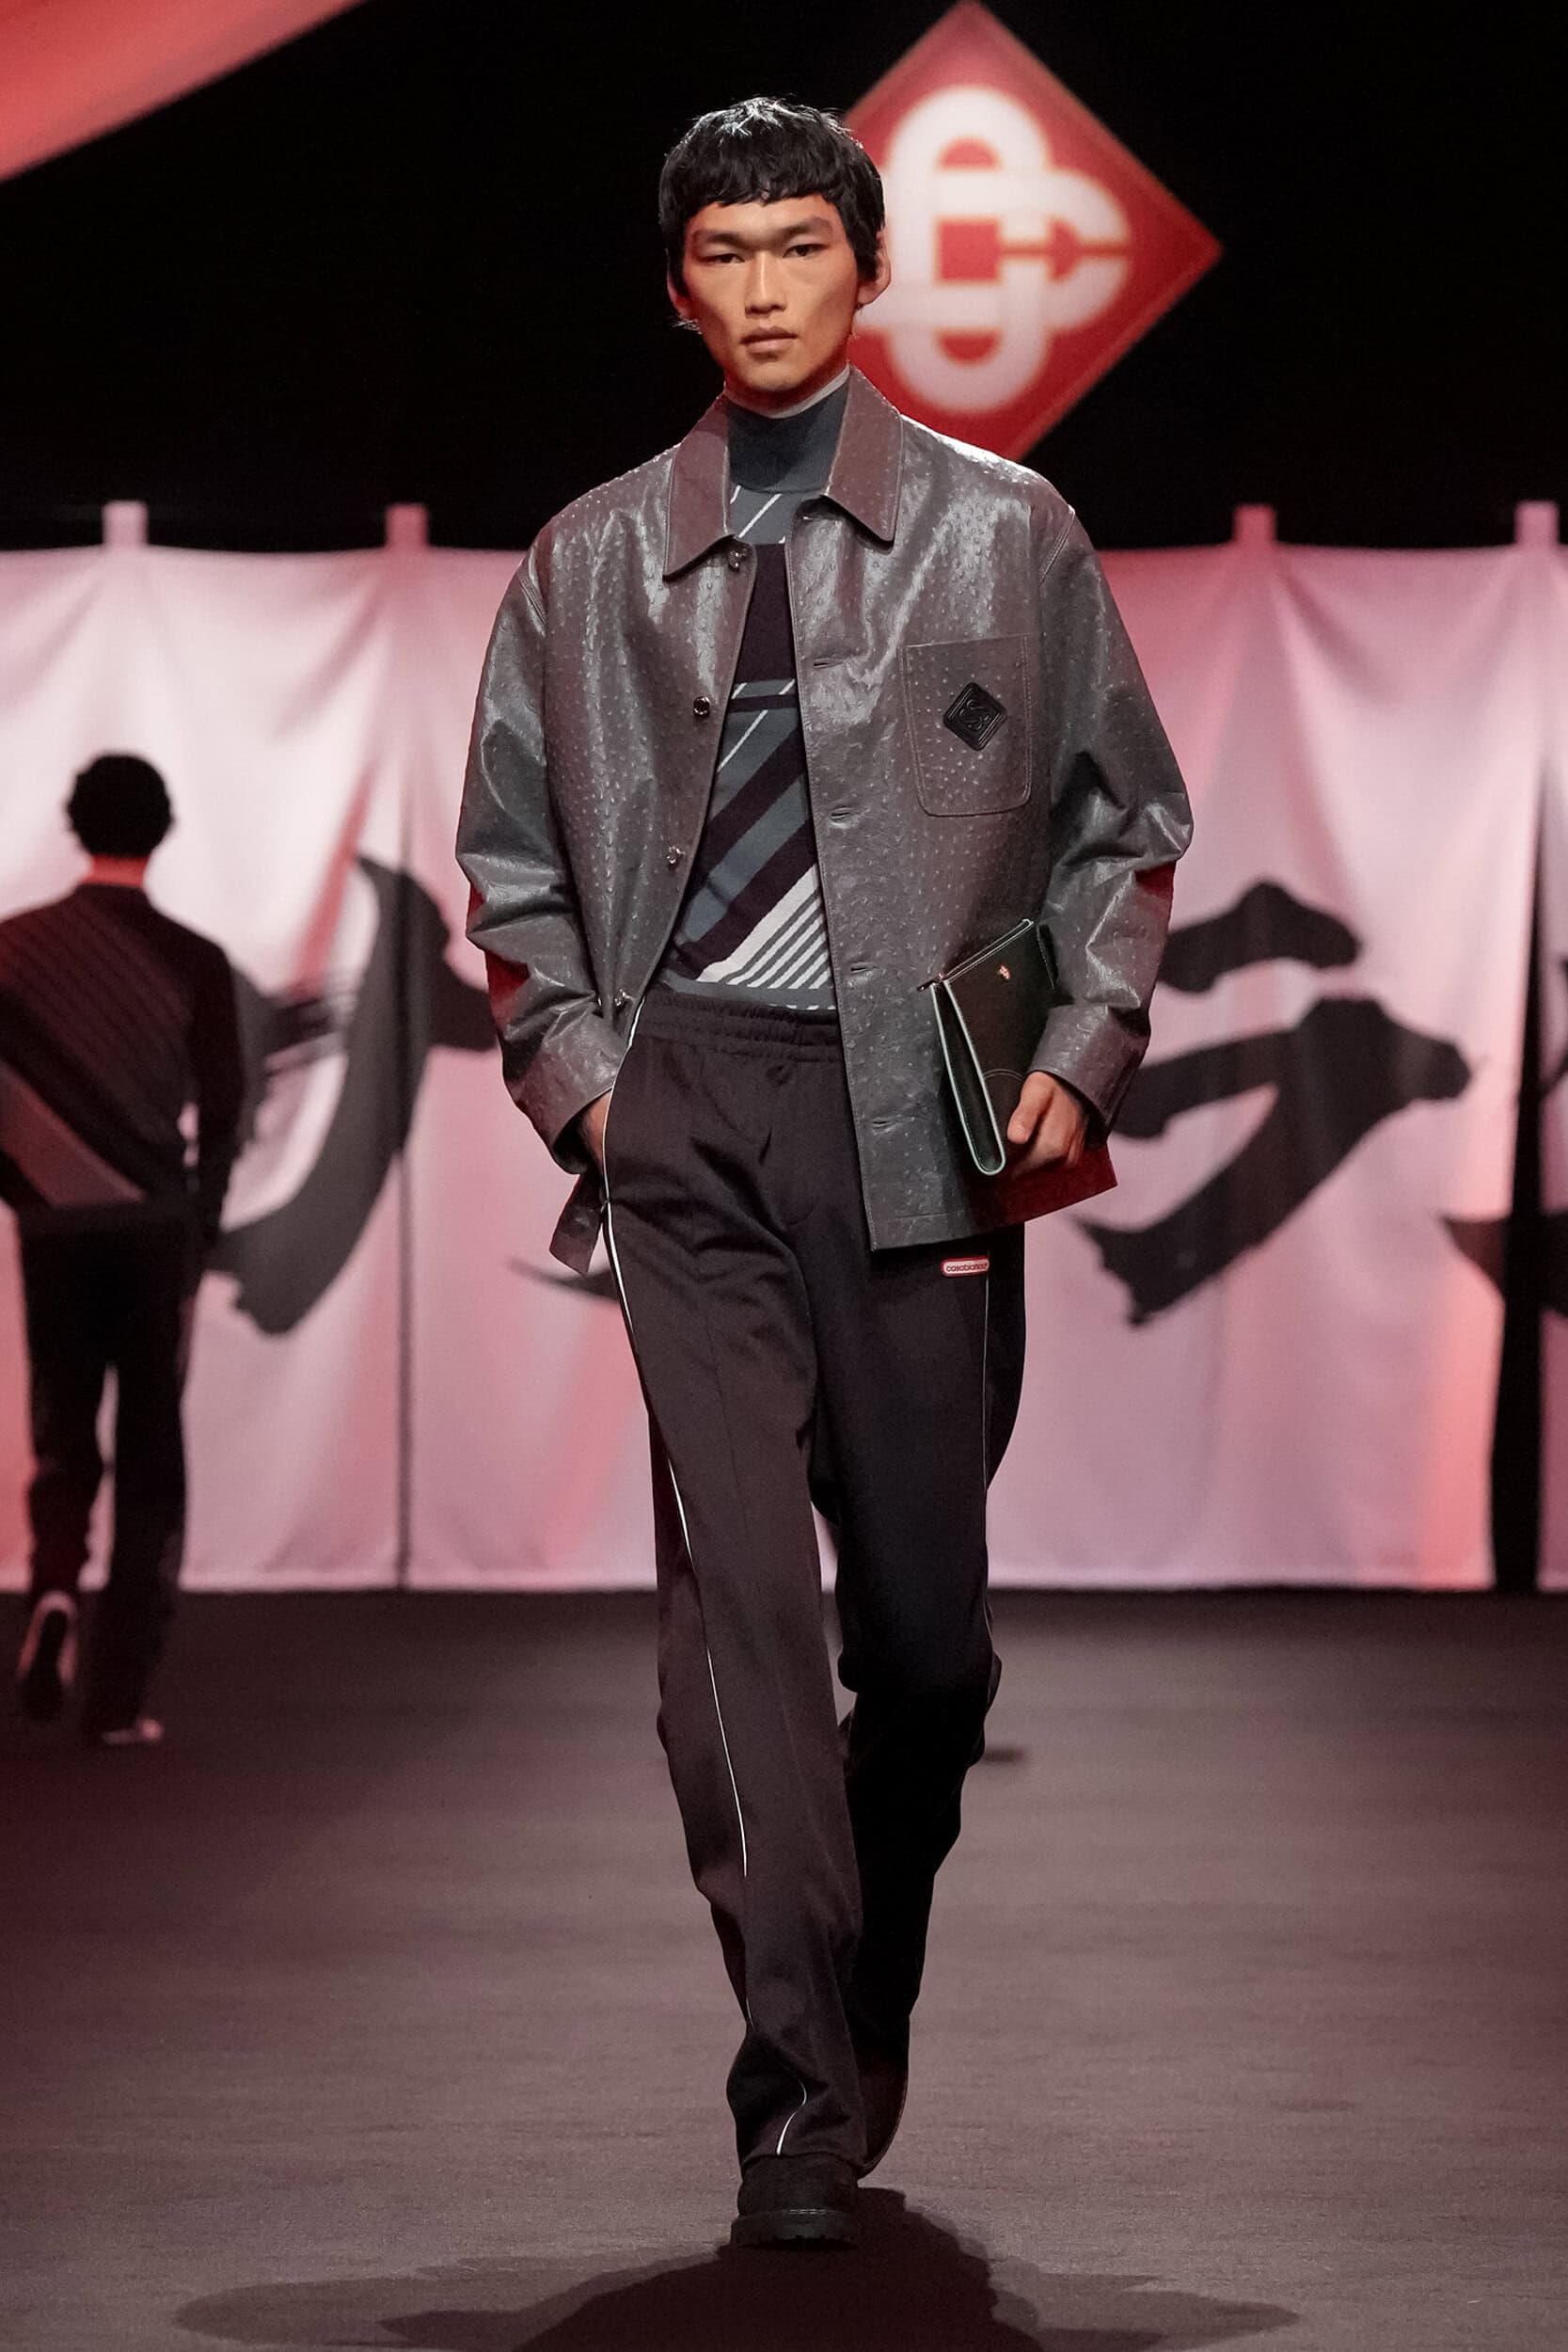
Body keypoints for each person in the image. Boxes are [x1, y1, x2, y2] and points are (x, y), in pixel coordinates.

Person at [457, 98, 1192, 2249]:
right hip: (685, 1104)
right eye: (726, 254)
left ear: (868, 272)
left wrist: (1077, 1047)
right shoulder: (587, 560)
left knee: (927, 1656)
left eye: (800, 247)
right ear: (676, 288)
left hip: (920, 1116)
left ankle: (859, 1982)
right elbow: (510, 861)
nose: (764, 287)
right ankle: (792, 2085)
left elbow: (1123, 822)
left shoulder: (1007, 531)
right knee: (734, 1635)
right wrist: (592, 1086)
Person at [2, 755, 244, 1745]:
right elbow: (223, 1114)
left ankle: (55, 1587)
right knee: (152, 1457)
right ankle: (116, 1700)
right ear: (163, 829)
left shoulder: (13, 951)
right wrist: (199, 1225)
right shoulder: (195, 960)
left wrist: (27, 1190)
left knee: (64, 1437)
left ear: (74, 824)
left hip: (52, 1231)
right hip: (154, 1234)